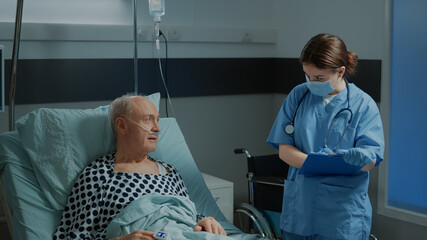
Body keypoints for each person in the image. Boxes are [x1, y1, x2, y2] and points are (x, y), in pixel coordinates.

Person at [53, 94, 226, 240]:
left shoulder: (170, 172)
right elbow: (71, 236)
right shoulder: (98, 174)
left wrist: (204, 222)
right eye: (148, 119)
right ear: (122, 125)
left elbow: (187, 216)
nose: (157, 128)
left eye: (157, 120)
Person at [267, 33, 384, 240]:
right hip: (301, 209)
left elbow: (370, 160)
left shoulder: (363, 105)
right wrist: (317, 163)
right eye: (307, 75)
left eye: (319, 78)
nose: (311, 82)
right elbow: (284, 149)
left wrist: (361, 159)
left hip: (341, 217)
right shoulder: (299, 95)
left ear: (340, 71)